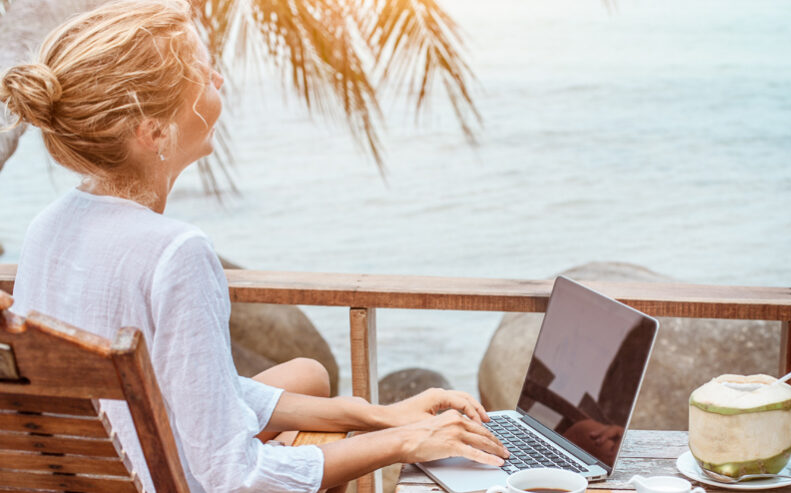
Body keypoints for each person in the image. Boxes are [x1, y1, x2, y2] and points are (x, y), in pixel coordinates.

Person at [0, 1, 508, 491]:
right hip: (173, 478)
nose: (219, 81)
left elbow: (190, 389)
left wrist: (372, 414)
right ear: (153, 131)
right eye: (203, 76)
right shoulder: (175, 253)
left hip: (93, 471)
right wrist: (406, 440)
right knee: (314, 420)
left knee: (307, 374)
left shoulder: (50, 225)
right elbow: (236, 478)